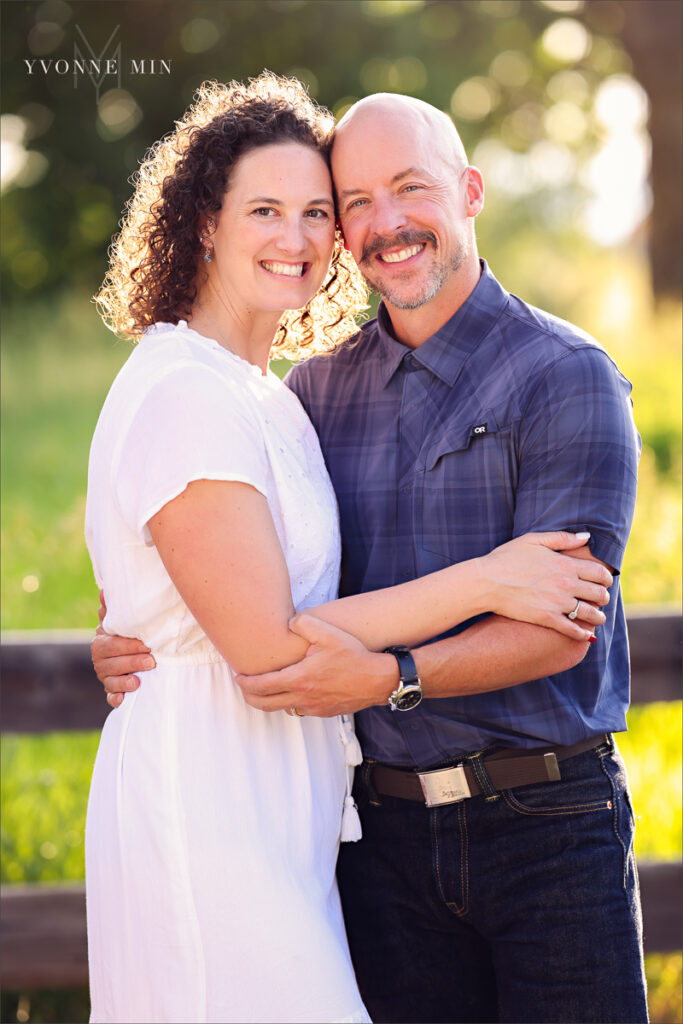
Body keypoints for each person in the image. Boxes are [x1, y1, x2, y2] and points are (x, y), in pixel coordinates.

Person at [89, 87, 642, 1024]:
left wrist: (390, 677)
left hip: (543, 825)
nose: (381, 224)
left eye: (408, 189)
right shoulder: (312, 394)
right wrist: (141, 631)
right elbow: (219, 575)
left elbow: (561, 628)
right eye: (350, 204)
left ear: (467, 191)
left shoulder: (564, 373)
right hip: (368, 838)